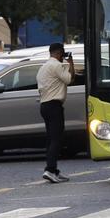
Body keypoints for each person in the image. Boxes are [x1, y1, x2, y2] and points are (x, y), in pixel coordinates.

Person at [36, 43, 75, 183]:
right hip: (54, 106)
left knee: (51, 139)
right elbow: (70, 79)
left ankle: (54, 170)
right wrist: (70, 63)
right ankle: (50, 170)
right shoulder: (57, 66)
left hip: (44, 105)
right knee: (57, 139)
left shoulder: (43, 67)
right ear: (60, 53)